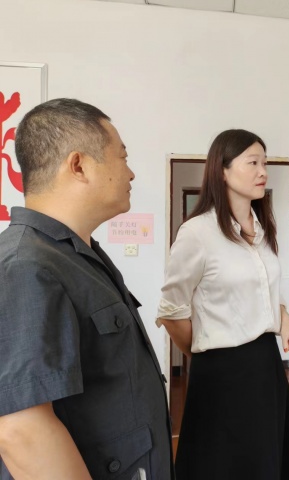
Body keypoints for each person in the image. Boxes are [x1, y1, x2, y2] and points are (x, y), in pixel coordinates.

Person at [0, 99, 173, 479]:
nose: (130, 173)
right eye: (122, 157)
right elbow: (21, 431)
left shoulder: (77, 255)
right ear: (78, 165)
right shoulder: (25, 265)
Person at [157, 129, 289, 480]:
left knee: (267, 460)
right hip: (220, 373)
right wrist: (203, 351)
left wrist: (286, 323)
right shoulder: (197, 233)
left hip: (266, 365)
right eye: (252, 162)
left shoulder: (263, 229)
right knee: (224, 466)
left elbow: (266, 293)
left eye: (265, 163)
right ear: (222, 170)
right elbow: (172, 311)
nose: (263, 172)